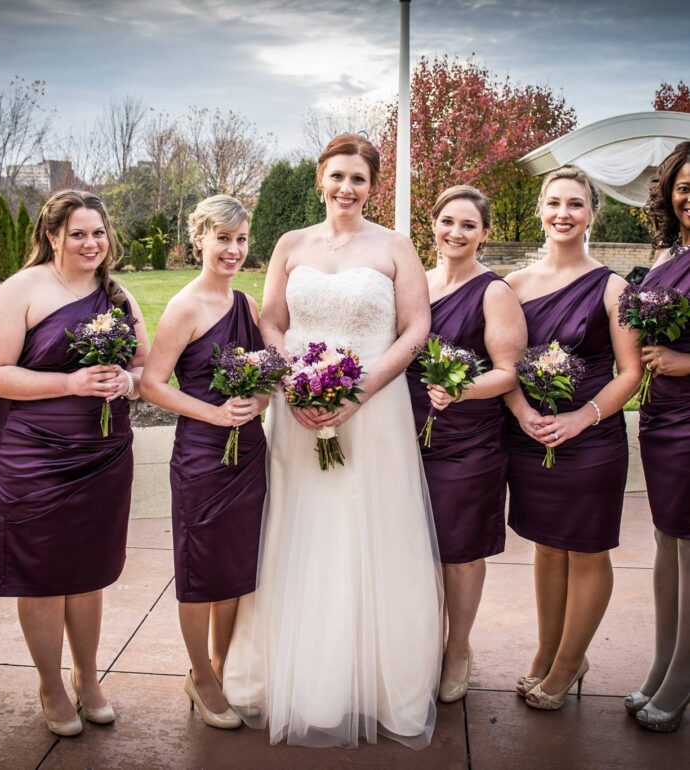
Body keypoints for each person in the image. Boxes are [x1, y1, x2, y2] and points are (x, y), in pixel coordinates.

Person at [222, 133, 443, 749]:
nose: (347, 188)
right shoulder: (291, 245)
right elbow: (272, 321)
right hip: (299, 409)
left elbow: (417, 328)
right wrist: (294, 383)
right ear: (321, 178)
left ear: (373, 186)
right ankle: (291, 673)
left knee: (371, 523)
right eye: (337, 176)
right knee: (301, 524)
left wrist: (359, 391)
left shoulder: (395, 246)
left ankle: (376, 682)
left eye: (359, 179)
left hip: (374, 408)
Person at [0, 190, 148, 737]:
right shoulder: (21, 291)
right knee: (43, 575)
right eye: (77, 234)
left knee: (90, 572)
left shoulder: (118, 295)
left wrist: (127, 382)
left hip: (103, 453)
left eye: (98, 233)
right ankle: (50, 683)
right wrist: (71, 383)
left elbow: (146, 370)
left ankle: (87, 677)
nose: (91, 243)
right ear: (52, 237)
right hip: (33, 454)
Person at [504, 167, 641, 710]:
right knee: (545, 544)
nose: (564, 213)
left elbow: (630, 373)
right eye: (555, 202)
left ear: (591, 215)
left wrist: (584, 417)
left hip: (591, 438)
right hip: (531, 435)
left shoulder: (613, 288)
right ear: (540, 209)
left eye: (576, 204)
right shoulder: (512, 286)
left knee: (585, 549)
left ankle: (569, 662)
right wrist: (520, 412)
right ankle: (547, 650)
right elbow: (504, 365)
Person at [140, 195, 266, 730]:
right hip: (201, 455)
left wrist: (257, 401)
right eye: (223, 239)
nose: (233, 249)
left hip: (249, 453)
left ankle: (220, 667)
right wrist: (215, 414)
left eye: (241, 239)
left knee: (236, 567)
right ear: (199, 240)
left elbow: (268, 378)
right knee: (200, 569)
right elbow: (151, 384)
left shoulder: (249, 305)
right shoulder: (184, 307)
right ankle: (198, 674)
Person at [406, 185, 526, 703]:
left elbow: (510, 371)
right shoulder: (416, 283)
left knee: (460, 552)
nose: (455, 233)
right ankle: (423, 644)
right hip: (409, 436)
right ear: (433, 225)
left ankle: (458, 650)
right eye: (448, 222)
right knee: (419, 549)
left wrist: (462, 389)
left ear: (484, 234)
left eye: (468, 225)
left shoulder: (493, 292)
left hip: (469, 442)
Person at [626, 141, 690, 732]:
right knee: (667, 540)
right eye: (684, 188)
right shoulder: (669, 255)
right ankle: (662, 664)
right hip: (662, 414)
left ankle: (681, 680)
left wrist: (687, 362)